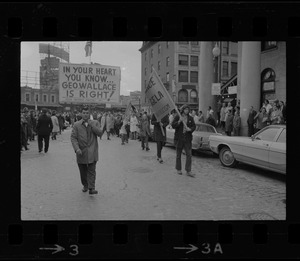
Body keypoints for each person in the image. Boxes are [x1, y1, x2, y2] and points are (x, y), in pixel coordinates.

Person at [71, 106, 103, 195]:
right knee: (83, 171)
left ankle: (92, 188)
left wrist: (92, 125)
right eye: (84, 113)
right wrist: (77, 149)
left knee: (92, 170)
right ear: (81, 114)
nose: (85, 115)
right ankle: (85, 185)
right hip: (81, 152)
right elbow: (73, 138)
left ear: (90, 114)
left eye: (87, 113)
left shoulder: (95, 123)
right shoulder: (77, 125)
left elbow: (100, 133)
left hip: (92, 152)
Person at [172, 104, 196, 177]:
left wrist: (190, 129)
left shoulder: (190, 118)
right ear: (183, 110)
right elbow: (173, 125)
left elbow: (194, 126)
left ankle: (188, 170)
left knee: (189, 155)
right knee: (178, 155)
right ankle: (178, 169)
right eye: (185, 109)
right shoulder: (178, 116)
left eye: (188, 109)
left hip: (187, 139)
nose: (187, 111)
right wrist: (179, 121)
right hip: (179, 138)